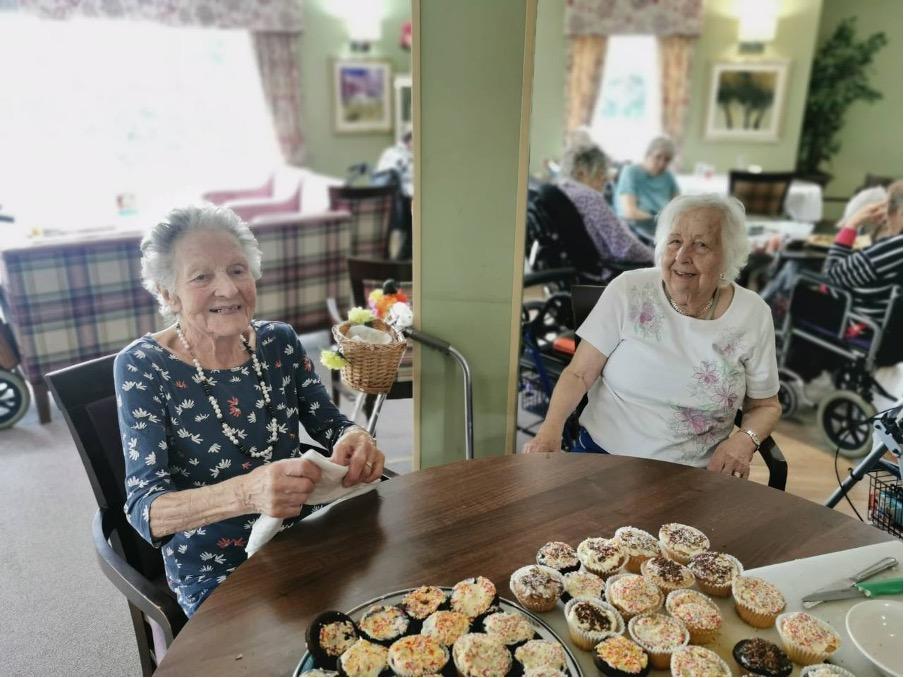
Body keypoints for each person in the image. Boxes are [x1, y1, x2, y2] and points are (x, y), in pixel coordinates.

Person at [115, 204, 385, 616]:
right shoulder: (143, 367)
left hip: (306, 532)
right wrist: (248, 492)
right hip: (216, 567)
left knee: (389, 613)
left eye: (237, 270)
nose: (227, 289)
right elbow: (145, 511)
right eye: (202, 276)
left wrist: (356, 438)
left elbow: (331, 423)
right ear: (168, 293)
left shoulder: (279, 342)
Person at [522, 194, 782, 479]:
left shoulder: (752, 314)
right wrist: (550, 430)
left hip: (695, 474)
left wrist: (745, 440)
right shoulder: (629, 290)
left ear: (728, 257)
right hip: (604, 458)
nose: (682, 256)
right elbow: (579, 374)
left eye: (701, 245)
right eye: (675, 241)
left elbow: (765, 406)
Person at [556, 140, 654, 265]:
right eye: (600, 172)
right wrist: (655, 257)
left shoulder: (564, 189)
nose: (606, 178)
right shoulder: (589, 197)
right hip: (612, 271)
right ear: (581, 173)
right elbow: (625, 248)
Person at [615, 136, 681, 233]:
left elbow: (679, 205)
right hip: (637, 224)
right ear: (648, 154)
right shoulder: (631, 172)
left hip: (664, 225)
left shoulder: (668, 176)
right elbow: (629, 212)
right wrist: (660, 221)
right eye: (658, 157)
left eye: (667, 160)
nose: (662, 163)